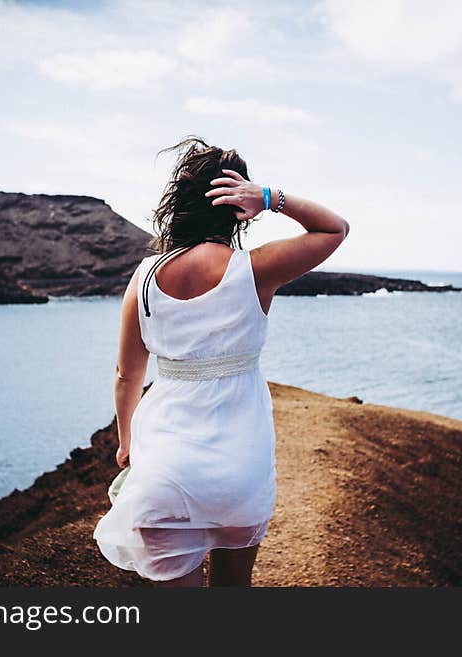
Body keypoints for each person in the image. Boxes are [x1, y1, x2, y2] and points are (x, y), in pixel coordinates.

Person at [93, 135, 350, 587]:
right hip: (239, 469)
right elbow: (334, 229)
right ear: (238, 207)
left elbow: (125, 376)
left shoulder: (144, 277)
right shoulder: (254, 270)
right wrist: (271, 198)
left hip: (166, 468)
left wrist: (125, 441)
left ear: (180, 203)